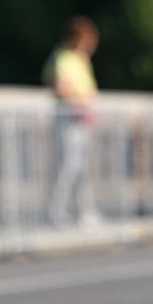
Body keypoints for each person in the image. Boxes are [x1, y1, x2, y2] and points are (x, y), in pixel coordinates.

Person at [42, 16, 100, 228]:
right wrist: (80, 104)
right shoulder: (62, 57)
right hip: (69, 119)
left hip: (83, 121)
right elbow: (60, 87)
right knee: (67, 167)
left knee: (82, 168)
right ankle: (56, 211)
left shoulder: (82, 59)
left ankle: (84, 211)